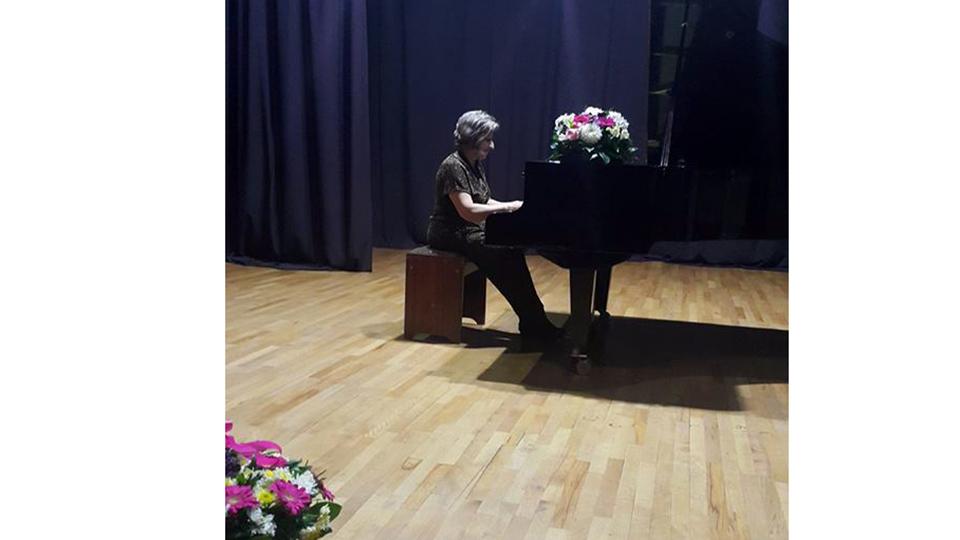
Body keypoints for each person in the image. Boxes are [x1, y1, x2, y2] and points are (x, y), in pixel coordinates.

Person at [426, 110, 562, 345]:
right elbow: (467, 211)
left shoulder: (474, 164)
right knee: (500, 251)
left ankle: (533, 320)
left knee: (511, 249)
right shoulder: (453, 166)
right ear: (473, 138)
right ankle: (534, 322)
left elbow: (484, 200)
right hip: (449, 232)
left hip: (469, 230)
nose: (492, 145)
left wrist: (513, 206)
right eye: (487, 139)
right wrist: (507, 207)